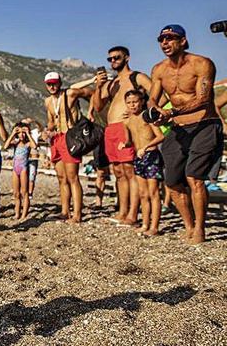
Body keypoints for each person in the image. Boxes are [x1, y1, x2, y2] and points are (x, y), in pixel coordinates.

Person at [148, 24, 221, 244]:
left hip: (204, 124)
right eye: (161, 39)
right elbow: (152, 98)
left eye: (170, 38)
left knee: (193, 176)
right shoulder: (159, 70)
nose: (165, 43)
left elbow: (204, 99)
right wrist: (155, 112)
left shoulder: (202, 64)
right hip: (178, 129)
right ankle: (188, 225)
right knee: (171, 182)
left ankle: (199, 228)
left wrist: (171, 111)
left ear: (183, 41)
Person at [91, 46, 153, 225]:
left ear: (127, 58)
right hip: (111, 129)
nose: (112, 61)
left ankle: (133, 214)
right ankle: (123, 211)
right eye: (109, 59)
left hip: (127, 127)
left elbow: (158, 95)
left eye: (116, 57)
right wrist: (99, 85)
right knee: (118, 172)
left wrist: (141, 115)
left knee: (129, 170)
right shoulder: (111, 83)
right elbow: (97, 106)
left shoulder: (137, 77)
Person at [44, 71, 95, 223]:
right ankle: (65, 211)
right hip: (57, 139)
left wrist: (91, 111)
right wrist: (47, 130)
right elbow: (51, 121)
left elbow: (92, 93)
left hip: (70, 136)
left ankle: (77, 214)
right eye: (49, 84)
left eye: (55, 83)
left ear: (60, 83)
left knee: (73, 177)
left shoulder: (70, 94)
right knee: (61, 178)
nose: (52, 86)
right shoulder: (48, 101)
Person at [119, 90, 165, 236]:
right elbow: (129, 140)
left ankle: (155, 227)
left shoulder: (147, 116)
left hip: (151, 155)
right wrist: (125, 144)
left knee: (153, 193)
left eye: (135, 102)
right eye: (129, 102)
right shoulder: (127, 121)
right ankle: (145, 224)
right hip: (138, 158)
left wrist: (146, 147)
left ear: (141, 102)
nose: (132, 105)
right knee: (143, 194)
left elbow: (160, 136)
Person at [5, 122, 36, 220]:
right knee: (16, 193)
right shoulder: (15, 143)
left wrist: (28, 134)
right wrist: (13, 133)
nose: (21, 134)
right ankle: (17, 213)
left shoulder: (27, 144)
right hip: (15, 169)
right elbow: (5, 146)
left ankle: (24, 214)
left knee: (24, 192)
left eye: (23, 132)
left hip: (23, 169)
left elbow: (34, 146)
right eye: (20, 132)